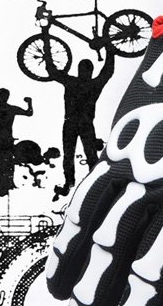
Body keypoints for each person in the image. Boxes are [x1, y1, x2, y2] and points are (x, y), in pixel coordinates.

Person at [42, 29, 115, 199]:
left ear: (79, 70)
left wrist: (45, 37)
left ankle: (70, 182)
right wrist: (109, 49)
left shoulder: (71, 82)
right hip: (85, 123)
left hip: (71, 123)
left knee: (70, 154)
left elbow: (51, 70)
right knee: (89, 154)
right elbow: (108, 71)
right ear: (90, 71)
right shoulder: (94, 84)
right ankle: (92, 181)